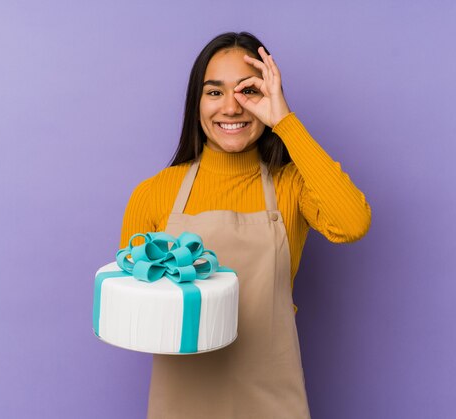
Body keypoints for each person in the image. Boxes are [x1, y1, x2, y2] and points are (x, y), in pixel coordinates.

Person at [119, 31, 371, 419]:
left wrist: (285, 122)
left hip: (271, 399)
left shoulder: (290, 187)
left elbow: (352, 222)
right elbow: (134, 312)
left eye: (247, 92)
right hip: (183, 401)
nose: (232, 108)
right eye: (215, 92)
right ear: (196, 103)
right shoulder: (154, 194)